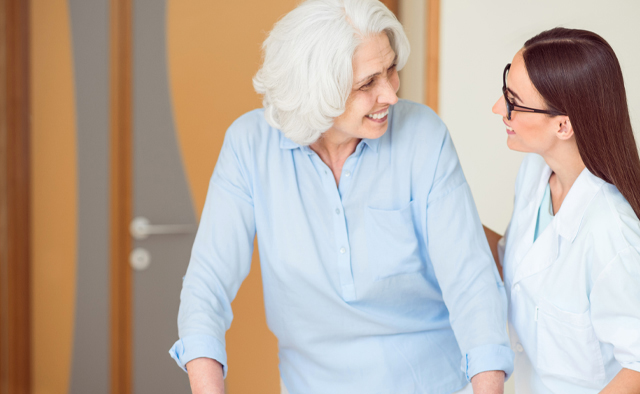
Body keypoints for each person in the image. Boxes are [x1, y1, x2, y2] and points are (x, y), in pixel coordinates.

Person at [169, 1, 514, 393]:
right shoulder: (249, 147)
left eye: (391, 71)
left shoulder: (423, 135)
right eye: (368, 84)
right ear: (315, 91)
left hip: (434, 382)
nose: (390, 95)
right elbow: (207, 284)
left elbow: (471, 280)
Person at [485, 27, 640, 394]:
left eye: (514, 101)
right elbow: (520, 264)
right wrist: (441, 216)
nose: (499, 108)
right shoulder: (536, 172)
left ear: (563, 125)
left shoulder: (611, 231)